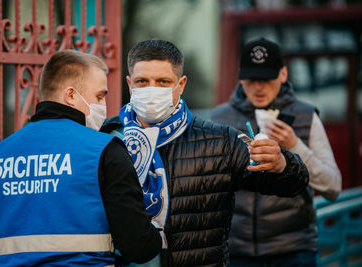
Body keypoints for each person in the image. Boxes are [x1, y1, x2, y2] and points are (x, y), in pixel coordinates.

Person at [100, 39, 309, 267]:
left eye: (163, 81)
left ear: (180, 85)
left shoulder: (220, 142)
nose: (152, 90)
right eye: (142, 81)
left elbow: (292, 185)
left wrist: (282, 164)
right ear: (129, 85)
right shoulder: (107, 138)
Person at [0, 50, 162, 266]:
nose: (103, 105)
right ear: (71, 95)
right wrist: (157, 233)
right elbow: (138, 246)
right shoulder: (104, 150)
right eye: (100, 96)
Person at [211, 38, 342, 266]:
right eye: (251, 79)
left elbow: (333, 187)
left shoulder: (305, 115)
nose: (259, 87)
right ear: (241, 77)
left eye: (267, 78)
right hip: (235, 251)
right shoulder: (219, 118)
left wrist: (294, 145)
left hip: (293, 250)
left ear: (282, 75)